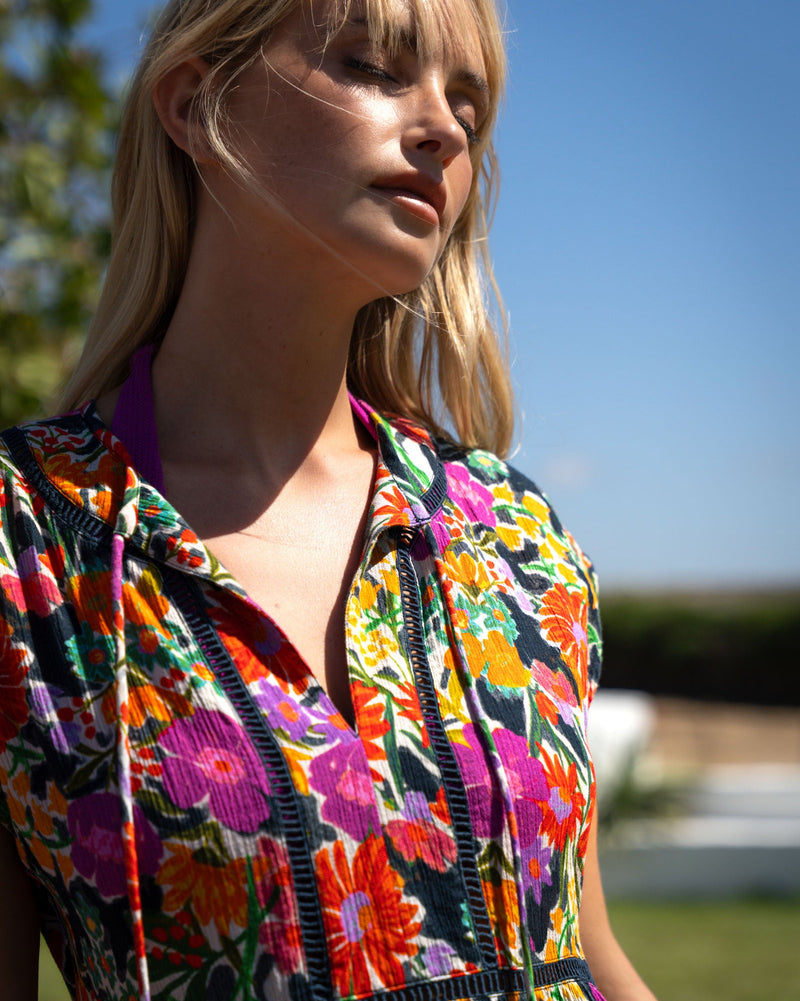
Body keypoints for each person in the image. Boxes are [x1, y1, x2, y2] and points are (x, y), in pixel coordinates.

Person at [0, 0, 659, 999]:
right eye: (373, 66)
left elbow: (583, 944)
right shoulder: (29, 544)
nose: (442, 129)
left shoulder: (517, 538)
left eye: (468, 107)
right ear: (195, 104)